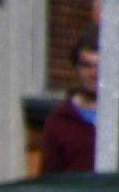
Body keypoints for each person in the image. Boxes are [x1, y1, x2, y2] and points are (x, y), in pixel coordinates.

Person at [39, 41, 98, 175]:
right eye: (87, 66)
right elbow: (49, 179)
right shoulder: (60, 120)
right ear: (76, 69)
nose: (94, 73)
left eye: (100, 66)